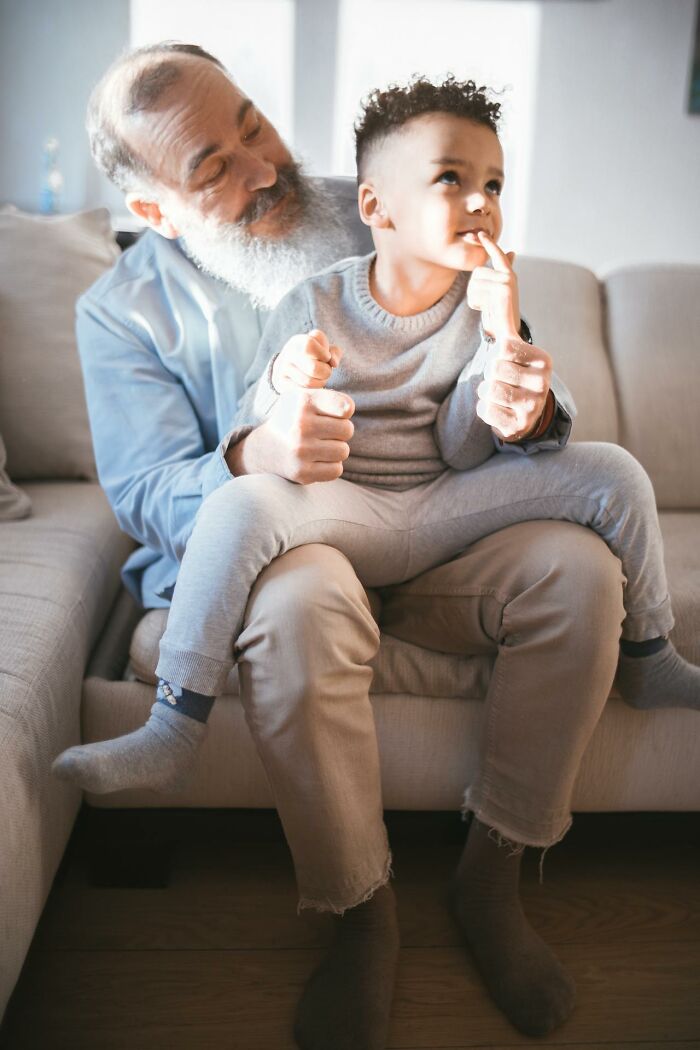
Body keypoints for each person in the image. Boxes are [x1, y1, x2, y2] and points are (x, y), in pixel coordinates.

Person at [47, 43, 687, 1049]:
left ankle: (492, 877)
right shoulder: (119, 315)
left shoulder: (387, 198)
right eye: (212, 166)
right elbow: (141, 494)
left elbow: (502, 358)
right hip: (294, 549)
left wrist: (524, 409)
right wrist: (254, 454)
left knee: (579, 571)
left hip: (446, 523)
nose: (264, 167)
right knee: (299, 605)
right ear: (154, 211)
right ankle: (358, 911)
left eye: (252, 125)